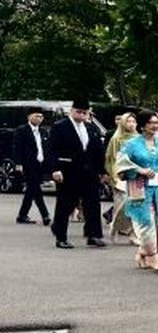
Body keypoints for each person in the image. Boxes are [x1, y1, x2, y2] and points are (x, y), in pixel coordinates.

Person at [116, 110, 158, 271]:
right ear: (143, 125)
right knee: (146, 221)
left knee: (154, 221)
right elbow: (121, 164)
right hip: (139, 188)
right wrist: (140, 170)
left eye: (157, 122)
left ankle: (143, 251)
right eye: (151, 123)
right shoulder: (131, 144)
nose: (155, 126)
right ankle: (152, 256)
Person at [48, 97, 108, 249]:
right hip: (68, 171)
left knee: (93, 204)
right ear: (72, 111)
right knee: (66, 205)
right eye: (78, 112)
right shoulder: (60, 127)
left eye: (84, 113)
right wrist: (55, 169)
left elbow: (98, 151)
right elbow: (52, 149)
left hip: (89, 172)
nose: (81, 115)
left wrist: (103, 171)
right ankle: (61, 236)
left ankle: (93, 235)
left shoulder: (91, 128)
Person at [104, 113, 139, 243]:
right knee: (121, 205)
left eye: (133, 121)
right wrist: (113, 175)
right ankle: (116, 225)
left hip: (136, 176)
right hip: (120, 177)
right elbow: (110, 158)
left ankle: (133, 233)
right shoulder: (116, 139)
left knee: (136, 206)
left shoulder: (139, 139)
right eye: (128, 121)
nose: (131, 124)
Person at [13, 105, 50, 226]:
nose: (39, 119)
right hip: (28, 164)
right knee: (36, 189)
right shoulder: (22, 130)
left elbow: (45, 148)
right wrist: (18, 163)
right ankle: (45, 215)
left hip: (40, 164)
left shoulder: (43, 131)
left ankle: (22, 215)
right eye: (36, 116)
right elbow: (17, 148)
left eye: (41, 117)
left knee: (31, 190)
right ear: (29, 117)